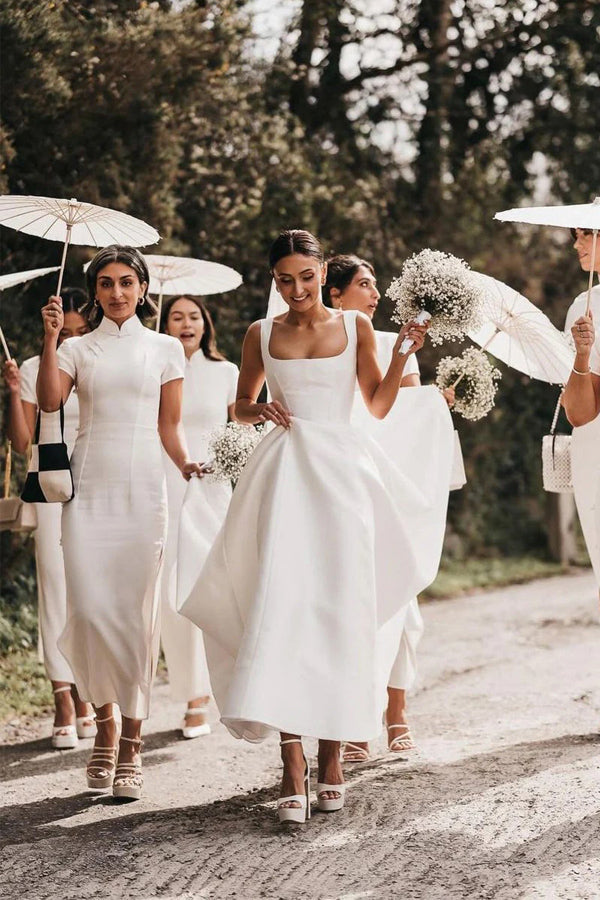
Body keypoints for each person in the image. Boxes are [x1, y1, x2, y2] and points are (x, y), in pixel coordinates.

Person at [179, 229, 450, 824]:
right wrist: (259, 410)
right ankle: (291, 764)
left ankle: (332, 760)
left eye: (306, 276)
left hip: (343, 478)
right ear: (272, 279)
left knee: (338, 613)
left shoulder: (353, 329)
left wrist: (404, 350)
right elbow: (240, 405)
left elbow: (375, 405)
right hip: (281, 477)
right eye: (284, 279)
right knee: (282, 610)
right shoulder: (259, 333)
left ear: (322, 271)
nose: (296, 289)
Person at [36, 246, 203, 801]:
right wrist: (51, 338)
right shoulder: (77, 347)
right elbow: (49, 401)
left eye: (126, 282)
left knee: (134, 617)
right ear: (95, 290)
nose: (116, 292)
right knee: (89, 612)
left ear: (142, 287)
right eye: (105, 283)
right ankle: (103, 729)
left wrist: (187, 465)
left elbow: (170, 427)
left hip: (141, 497)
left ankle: (131, 741)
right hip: (86, 495)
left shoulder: (164, 348)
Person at [324, 254, 454, 762]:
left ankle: (396, 712)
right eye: (363, 284)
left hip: (390, 480)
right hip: (341, 478)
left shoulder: (392, 344)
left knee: (399, 599)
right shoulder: (326, 342)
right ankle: (356, 714)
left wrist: (438, 402)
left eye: (376, 284)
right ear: (334, 294)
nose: (375, 293)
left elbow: (408, 415)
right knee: (352, 600)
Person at [2, 289, 96, 749]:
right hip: (50, 484)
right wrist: (11, 390)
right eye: (66, 330)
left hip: (96, 479)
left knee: (90, 589)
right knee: (55, 586)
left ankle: (90, 693)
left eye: (81, 331)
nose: (72, 338)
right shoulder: (36, 366)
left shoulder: (96, 360)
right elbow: (22, 442)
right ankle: (63, 695)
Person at [159, 295, 238, 738]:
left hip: (213, 488)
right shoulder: (157, 369)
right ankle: (190, 692)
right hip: (167, 484)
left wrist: (228, 465)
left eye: (193, 316)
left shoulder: (226, 373)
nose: (186, 323)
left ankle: (212, 691)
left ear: (205, 324)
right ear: (165, 324)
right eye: (176, 316)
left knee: (211, 583)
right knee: (174, 589)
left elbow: (238, 429)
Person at [563, 228, 600, 589]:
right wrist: (582, 356)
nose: (577, 244)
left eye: (586, 234)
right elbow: (580, 414)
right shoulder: (584, 308)